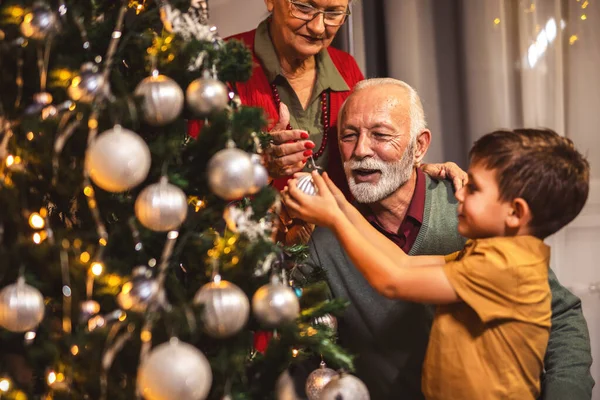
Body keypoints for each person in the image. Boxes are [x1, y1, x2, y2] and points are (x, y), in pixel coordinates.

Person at [284, 78, 595, 399]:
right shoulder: (482, 246)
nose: (361, 150)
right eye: (349, 136)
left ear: (419, 146)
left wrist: (335, 216)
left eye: (380, 134)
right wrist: (337, 209)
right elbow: (402, 264)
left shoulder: (498, 255)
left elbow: (394, 277)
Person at [188, 0, 466, 244]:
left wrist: (414, 165)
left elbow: (365, 156)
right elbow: (191, 178)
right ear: (271, 1)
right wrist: (259, 167)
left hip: (336, 253)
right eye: (305, 7)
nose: (319, 27)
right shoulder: (221, 66)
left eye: (333, 13)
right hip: (245, 253)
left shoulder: (346, 67)